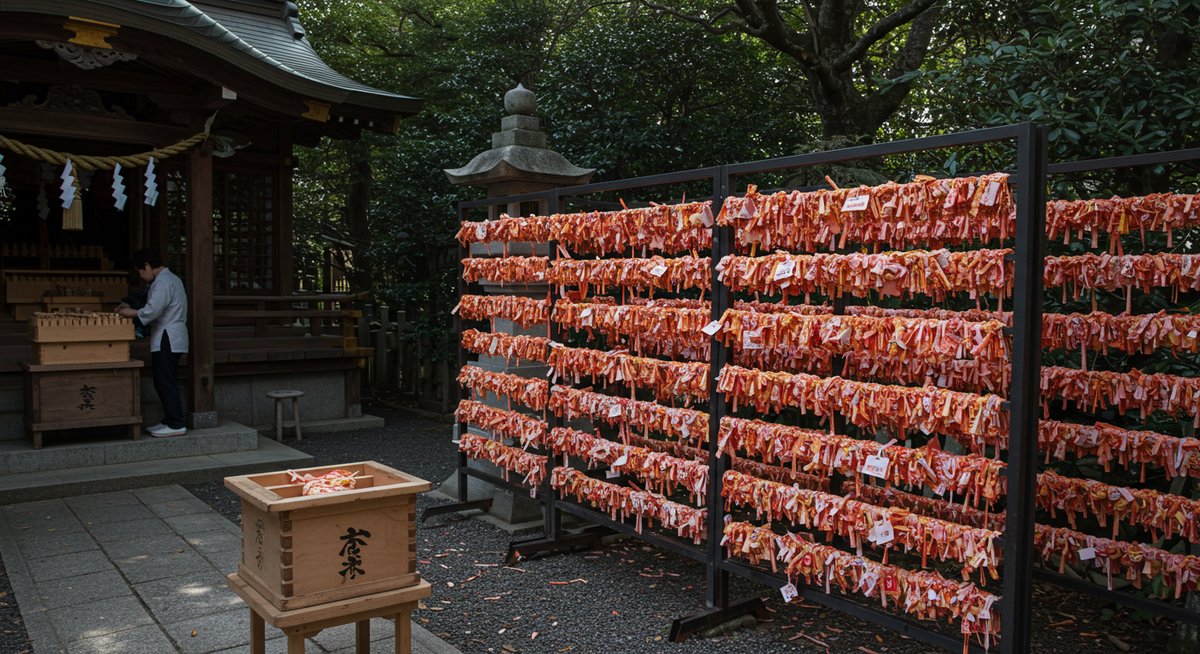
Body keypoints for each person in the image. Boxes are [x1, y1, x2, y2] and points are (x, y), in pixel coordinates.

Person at [117, 248, 188, 437]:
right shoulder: (172, 279)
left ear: (147, 266)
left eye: (140, 271)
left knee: (165, 381)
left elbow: (152, 310)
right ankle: (170, 419)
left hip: (167, 336)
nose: (141, 275)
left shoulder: (162, 282)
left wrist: (130, 312)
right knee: (164, 379)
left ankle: (176, 423)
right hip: (172, 335)